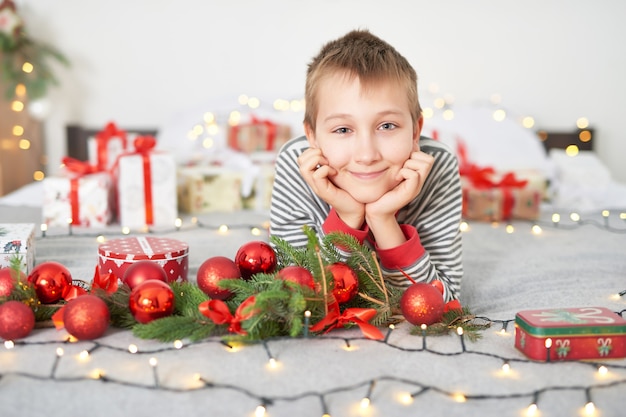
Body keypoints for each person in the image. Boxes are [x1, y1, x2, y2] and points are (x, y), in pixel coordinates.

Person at [269, 29, 462, 302]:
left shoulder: (437, 166)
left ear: (415, 131)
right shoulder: (296, 164)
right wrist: (347, 217)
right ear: (312, 136)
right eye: (343, 129)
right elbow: (294, 299)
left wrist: (383, 220)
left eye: (387, 126)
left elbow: (446, 302)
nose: (367, 154)